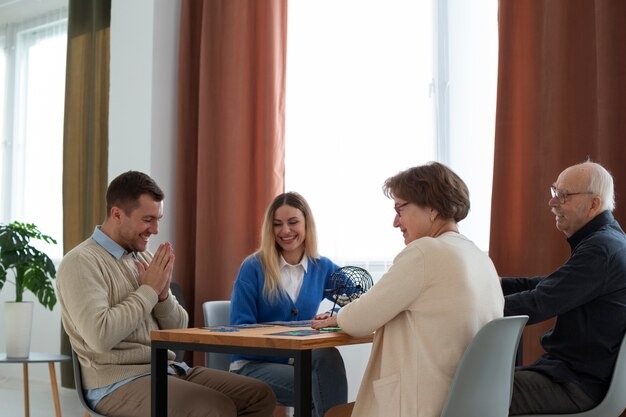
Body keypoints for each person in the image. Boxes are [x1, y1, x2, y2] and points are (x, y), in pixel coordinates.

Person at [56, 171, 276, 417]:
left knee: (259, 395)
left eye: (158, 219)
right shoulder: (80, 263)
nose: (156, 229)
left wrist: (162, 295)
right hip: (113, 383)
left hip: (167, 368)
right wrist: (148, 290)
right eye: (148, 219)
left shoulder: (144, 257)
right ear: (117, 214)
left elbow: (179, 330)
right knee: (214, 408)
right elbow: (100, 336)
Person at [312, 161, 504, 417]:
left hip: (424, 404)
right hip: (466, 404)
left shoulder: (424, 252)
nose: (395, 222)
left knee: (333, 414)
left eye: (400, 208)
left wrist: (338, 318)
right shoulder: (480, 258)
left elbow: (360, 319)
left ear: (432, 208)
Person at [502, 161, 626, 415]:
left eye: (563, 195)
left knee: (472, 391)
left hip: (577, 383)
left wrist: (471, 304)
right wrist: (494, 285)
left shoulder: (601, 249)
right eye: (554, 192)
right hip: (571, 375)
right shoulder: (607, 239)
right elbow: (551, 284)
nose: (552, 202)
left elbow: (539, 302)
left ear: (593, 204)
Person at [229, 191, 348, 417]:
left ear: (306, 224)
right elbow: (239, 330)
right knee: (319, 389)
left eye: (293, 222)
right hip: (252, 365)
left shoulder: (322, 267)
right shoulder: (253, 267)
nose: (285, 231)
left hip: (299, 362)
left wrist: (336, 315)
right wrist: (290, 352)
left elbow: (359, 298)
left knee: (328, 356)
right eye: (277, 224)